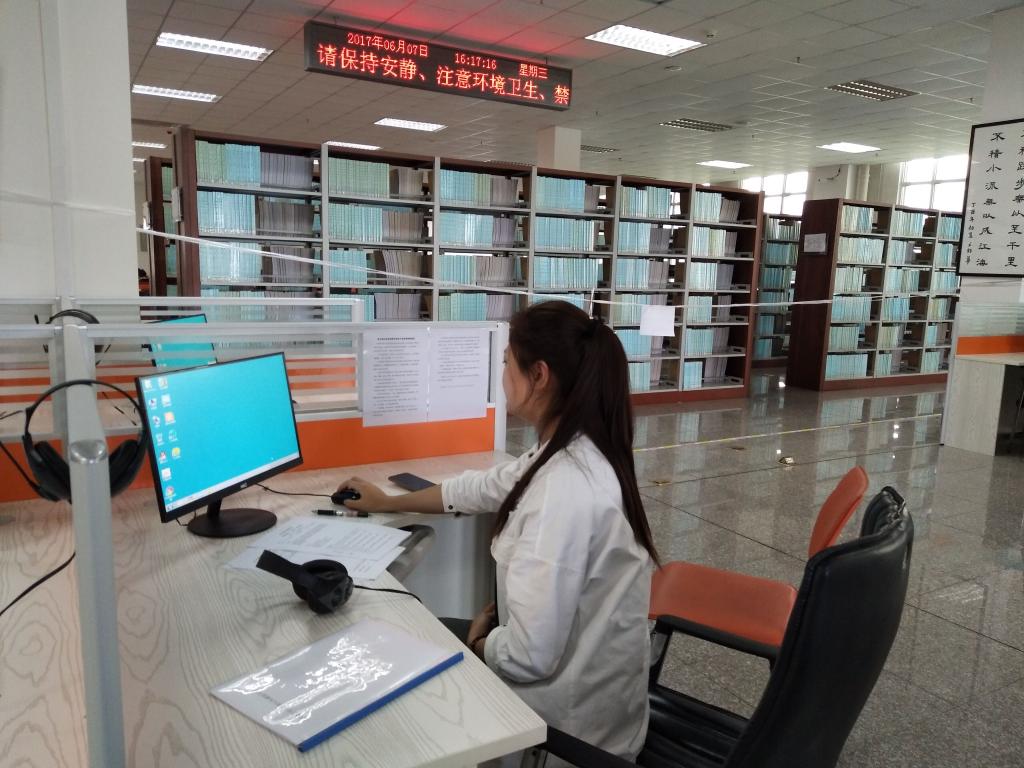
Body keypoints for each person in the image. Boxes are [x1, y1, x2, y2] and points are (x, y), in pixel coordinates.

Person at [337, 300, 658, 765]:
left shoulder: (563, 492)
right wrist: (386, 501)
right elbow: (484, 487)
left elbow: (529, 656)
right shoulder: (574, 449)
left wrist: (481, 642)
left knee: (390, 666)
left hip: (566, 730)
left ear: (539, 376)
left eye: (507, 362)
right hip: (586, 693)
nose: (501, 373)